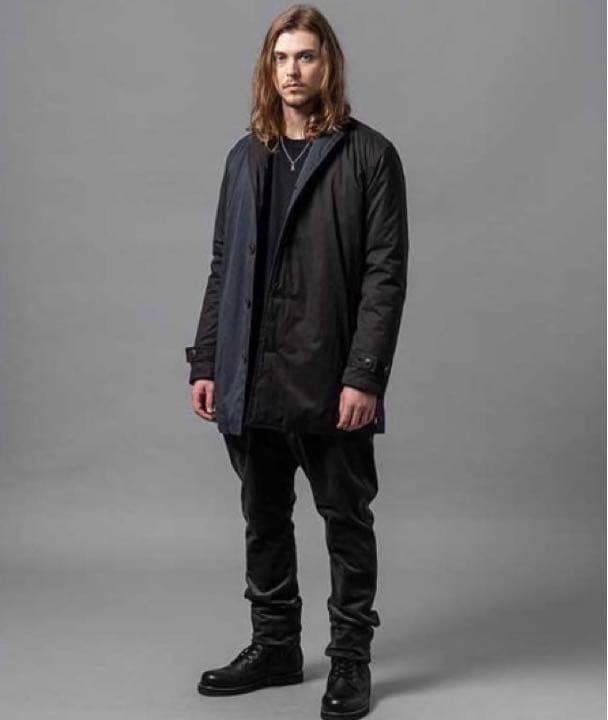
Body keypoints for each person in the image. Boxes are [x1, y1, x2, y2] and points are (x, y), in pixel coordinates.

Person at [184, 5, 408, 718]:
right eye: (281, 58)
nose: (292, 70)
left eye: (305, 56)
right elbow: (223, 265)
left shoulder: (369, 156)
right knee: (263, 516)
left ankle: (350, 660)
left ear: (327, 64)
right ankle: (276, 645)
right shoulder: (243, 157)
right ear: (267, 67)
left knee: (345, 518)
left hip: (326, 370)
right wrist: (207, 360)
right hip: (249, 371)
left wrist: (364, 374)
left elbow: (384, 275)